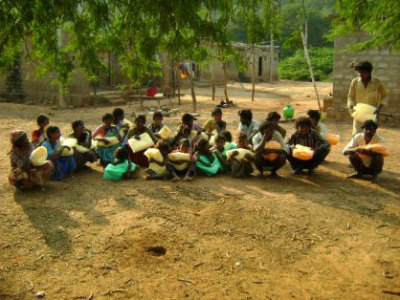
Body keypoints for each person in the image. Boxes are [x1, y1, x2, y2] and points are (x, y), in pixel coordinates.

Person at [347, 61, 388, 135]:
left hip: (372, 113)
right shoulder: (355, 82)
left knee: (370, 135)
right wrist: (351, 106)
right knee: (356, 134)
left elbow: (384, 96)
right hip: (359, 112)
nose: (360, 75)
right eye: (359, 73)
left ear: (369, 72)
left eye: (363, 73)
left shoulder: (377, 82)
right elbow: (350, 96)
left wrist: (379, 108)